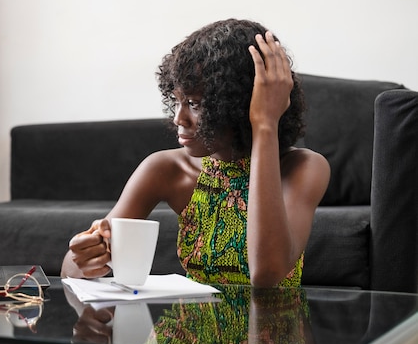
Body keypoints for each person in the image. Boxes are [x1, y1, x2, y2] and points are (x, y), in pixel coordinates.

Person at [60, 18, 330, 288]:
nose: (179, 118)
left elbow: (267, 274)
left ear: (241, 103)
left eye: (194, 104)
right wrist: (86, 256)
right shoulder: (165, 169)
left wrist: (264, 124)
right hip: (188, 327)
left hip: (269, 328)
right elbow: (70, 269)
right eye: (176, 101)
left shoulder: (304, 167)